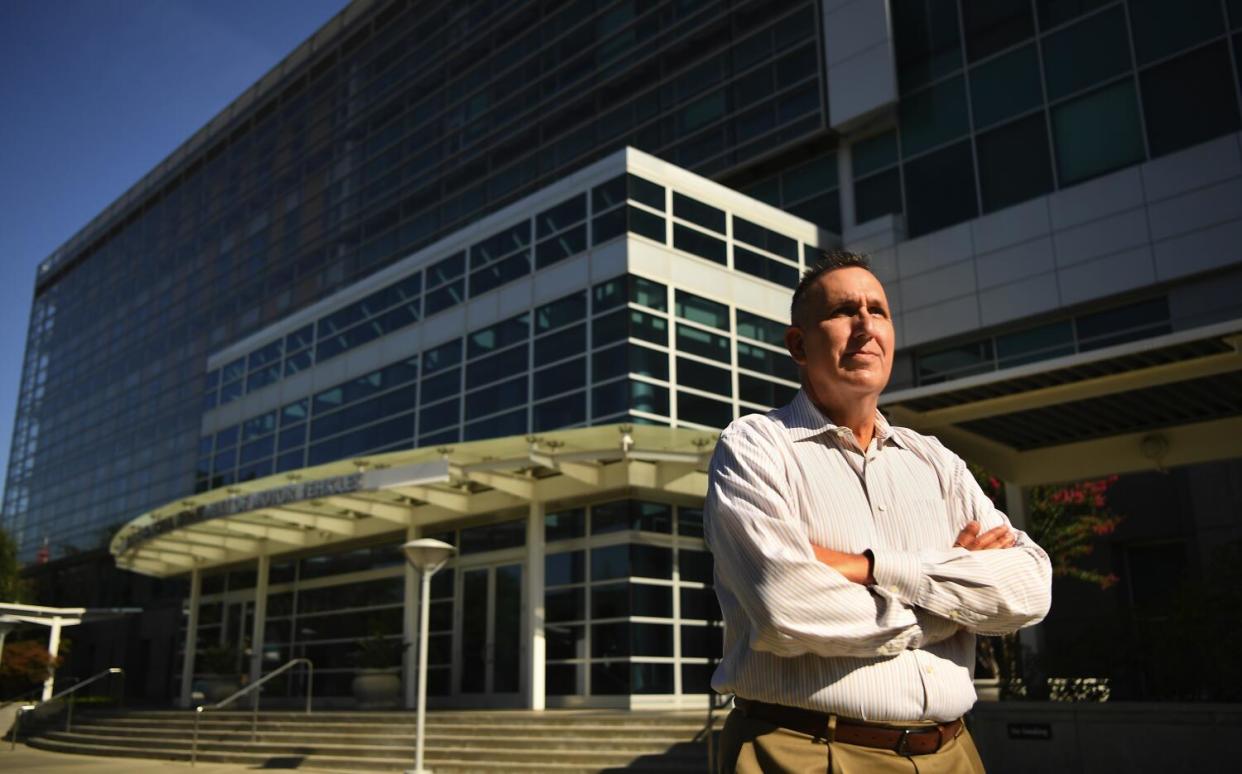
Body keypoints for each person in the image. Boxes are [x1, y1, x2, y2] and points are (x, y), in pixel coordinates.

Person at [704, 250, 1052, 773]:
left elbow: (1029, 587)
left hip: (954, 753)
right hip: (807, 750)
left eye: (878, 311)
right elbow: (786, 610)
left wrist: (871, 568)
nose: (866, 325)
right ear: (798, 344)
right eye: (844, 311)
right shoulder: (756, 446)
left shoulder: (935, 461)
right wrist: (951, 603)